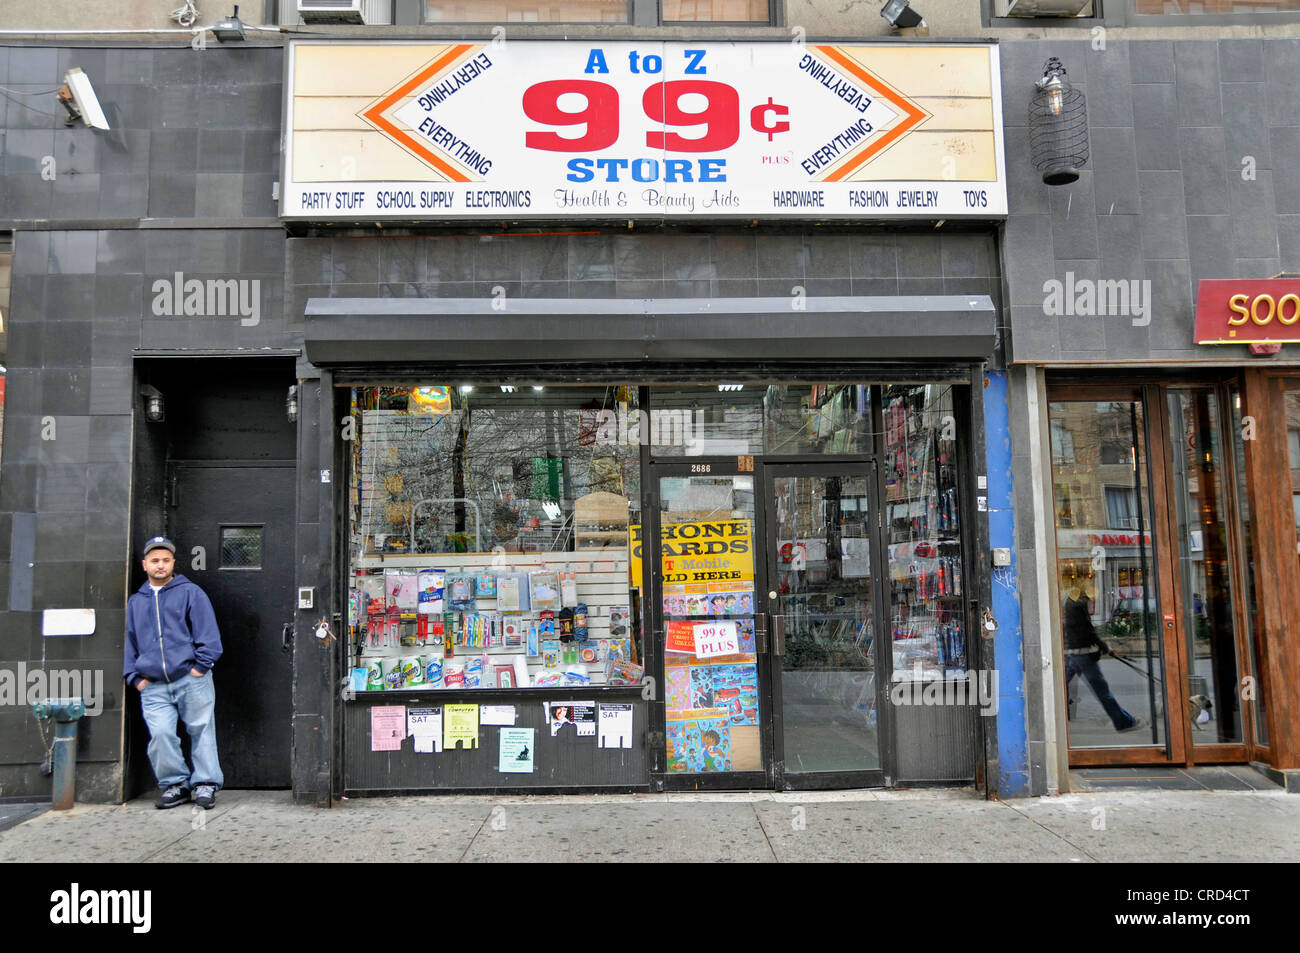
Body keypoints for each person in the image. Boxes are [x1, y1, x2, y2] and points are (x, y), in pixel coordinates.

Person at [123, 536, 224, 810]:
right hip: (153, 684)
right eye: (155, 561)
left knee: (202, 730)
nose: (160, 566)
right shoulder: (137, 601)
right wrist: (134, 678)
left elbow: (209, 636)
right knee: (161, 735)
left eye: (166, 561)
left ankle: (205, 784)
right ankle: (175, 785)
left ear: (173, 563)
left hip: (191, 678)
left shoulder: (190, 592)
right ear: (145, 565)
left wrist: (199, 668)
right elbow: (130, 641)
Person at [1062, 584, 1141, 733]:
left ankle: (1061, 714)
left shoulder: (1069, 603)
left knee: (1059, 687)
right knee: (1103, 692)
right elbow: (1088, 632)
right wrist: (1105, 648)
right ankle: (1124, 722)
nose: (1092, 599)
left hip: (1073, 654)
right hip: (1083, 656)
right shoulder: (1078, 605)